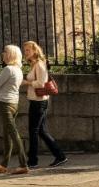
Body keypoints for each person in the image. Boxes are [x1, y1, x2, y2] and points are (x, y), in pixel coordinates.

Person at [0, 44, 28, 174]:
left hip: (5, 104)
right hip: (14, 103)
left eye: (4, 52)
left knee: (13, 134)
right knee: (7, 135)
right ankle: (4, 164)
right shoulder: (18, 70)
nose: (2, 54)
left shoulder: (8, 69)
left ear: (9, 55)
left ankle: (23, 164)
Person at [22, 40, 67, 169]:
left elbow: (41, 83)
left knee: (34, 131)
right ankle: (60, 156)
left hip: (39, 102)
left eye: (28, 50)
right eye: (25, 50)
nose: (26, 53)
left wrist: (27, 83)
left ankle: (33, 161)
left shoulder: (39, 65)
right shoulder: (34, 64)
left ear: (35, 51)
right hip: (36, 100)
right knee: (41, 131)